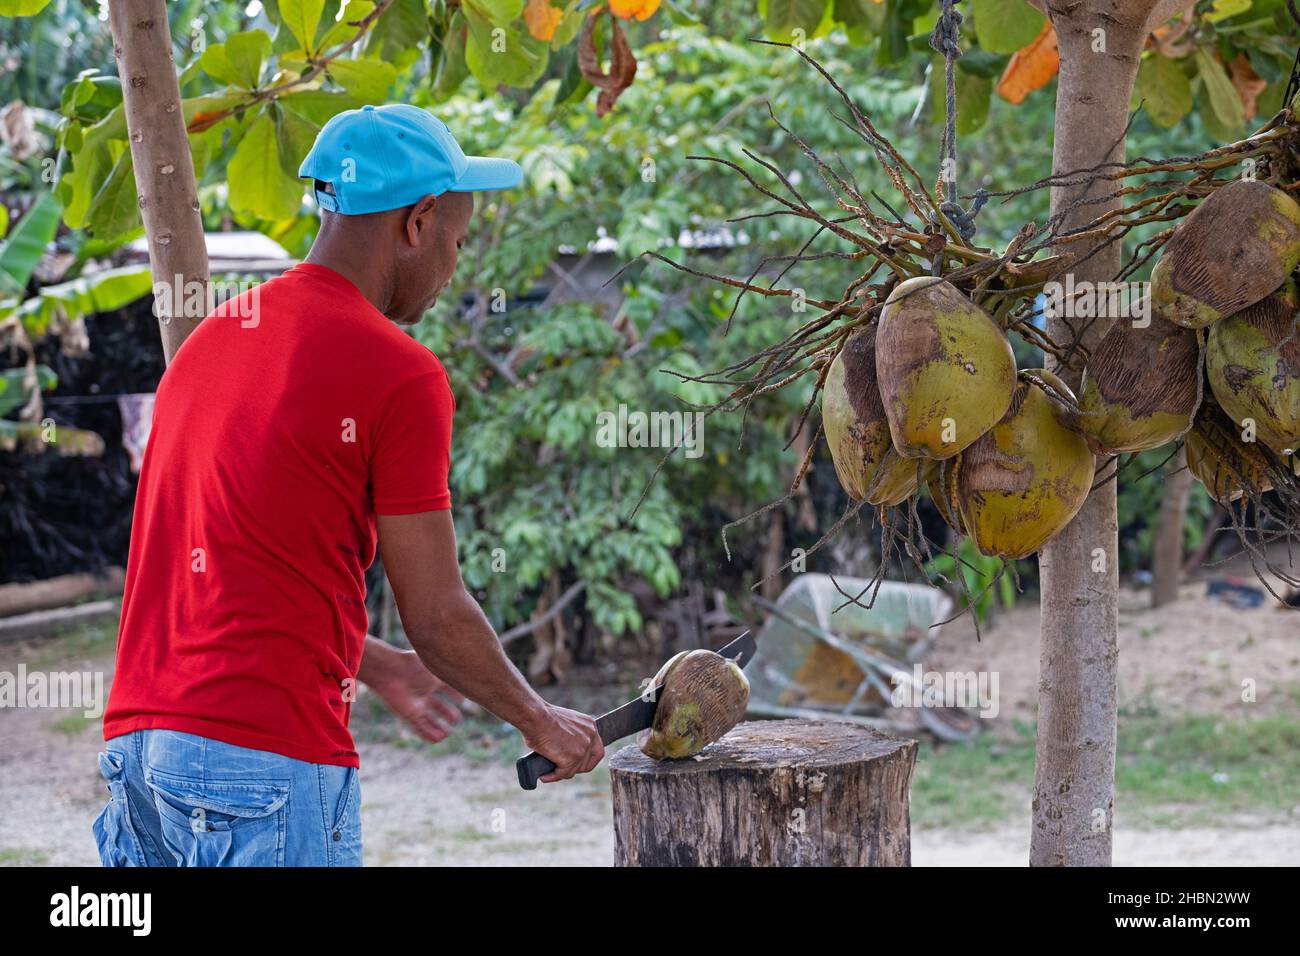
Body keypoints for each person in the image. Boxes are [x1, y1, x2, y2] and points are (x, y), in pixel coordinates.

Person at [93, 105, 604, 867]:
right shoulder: (399, 373)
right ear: (418, 221)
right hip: (259, 763)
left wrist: (372, 660)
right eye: (457, 244)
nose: (454, 269)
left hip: (140, 747)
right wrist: (538, 719)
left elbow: (225, 568)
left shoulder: (213, 342)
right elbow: (434, 612)